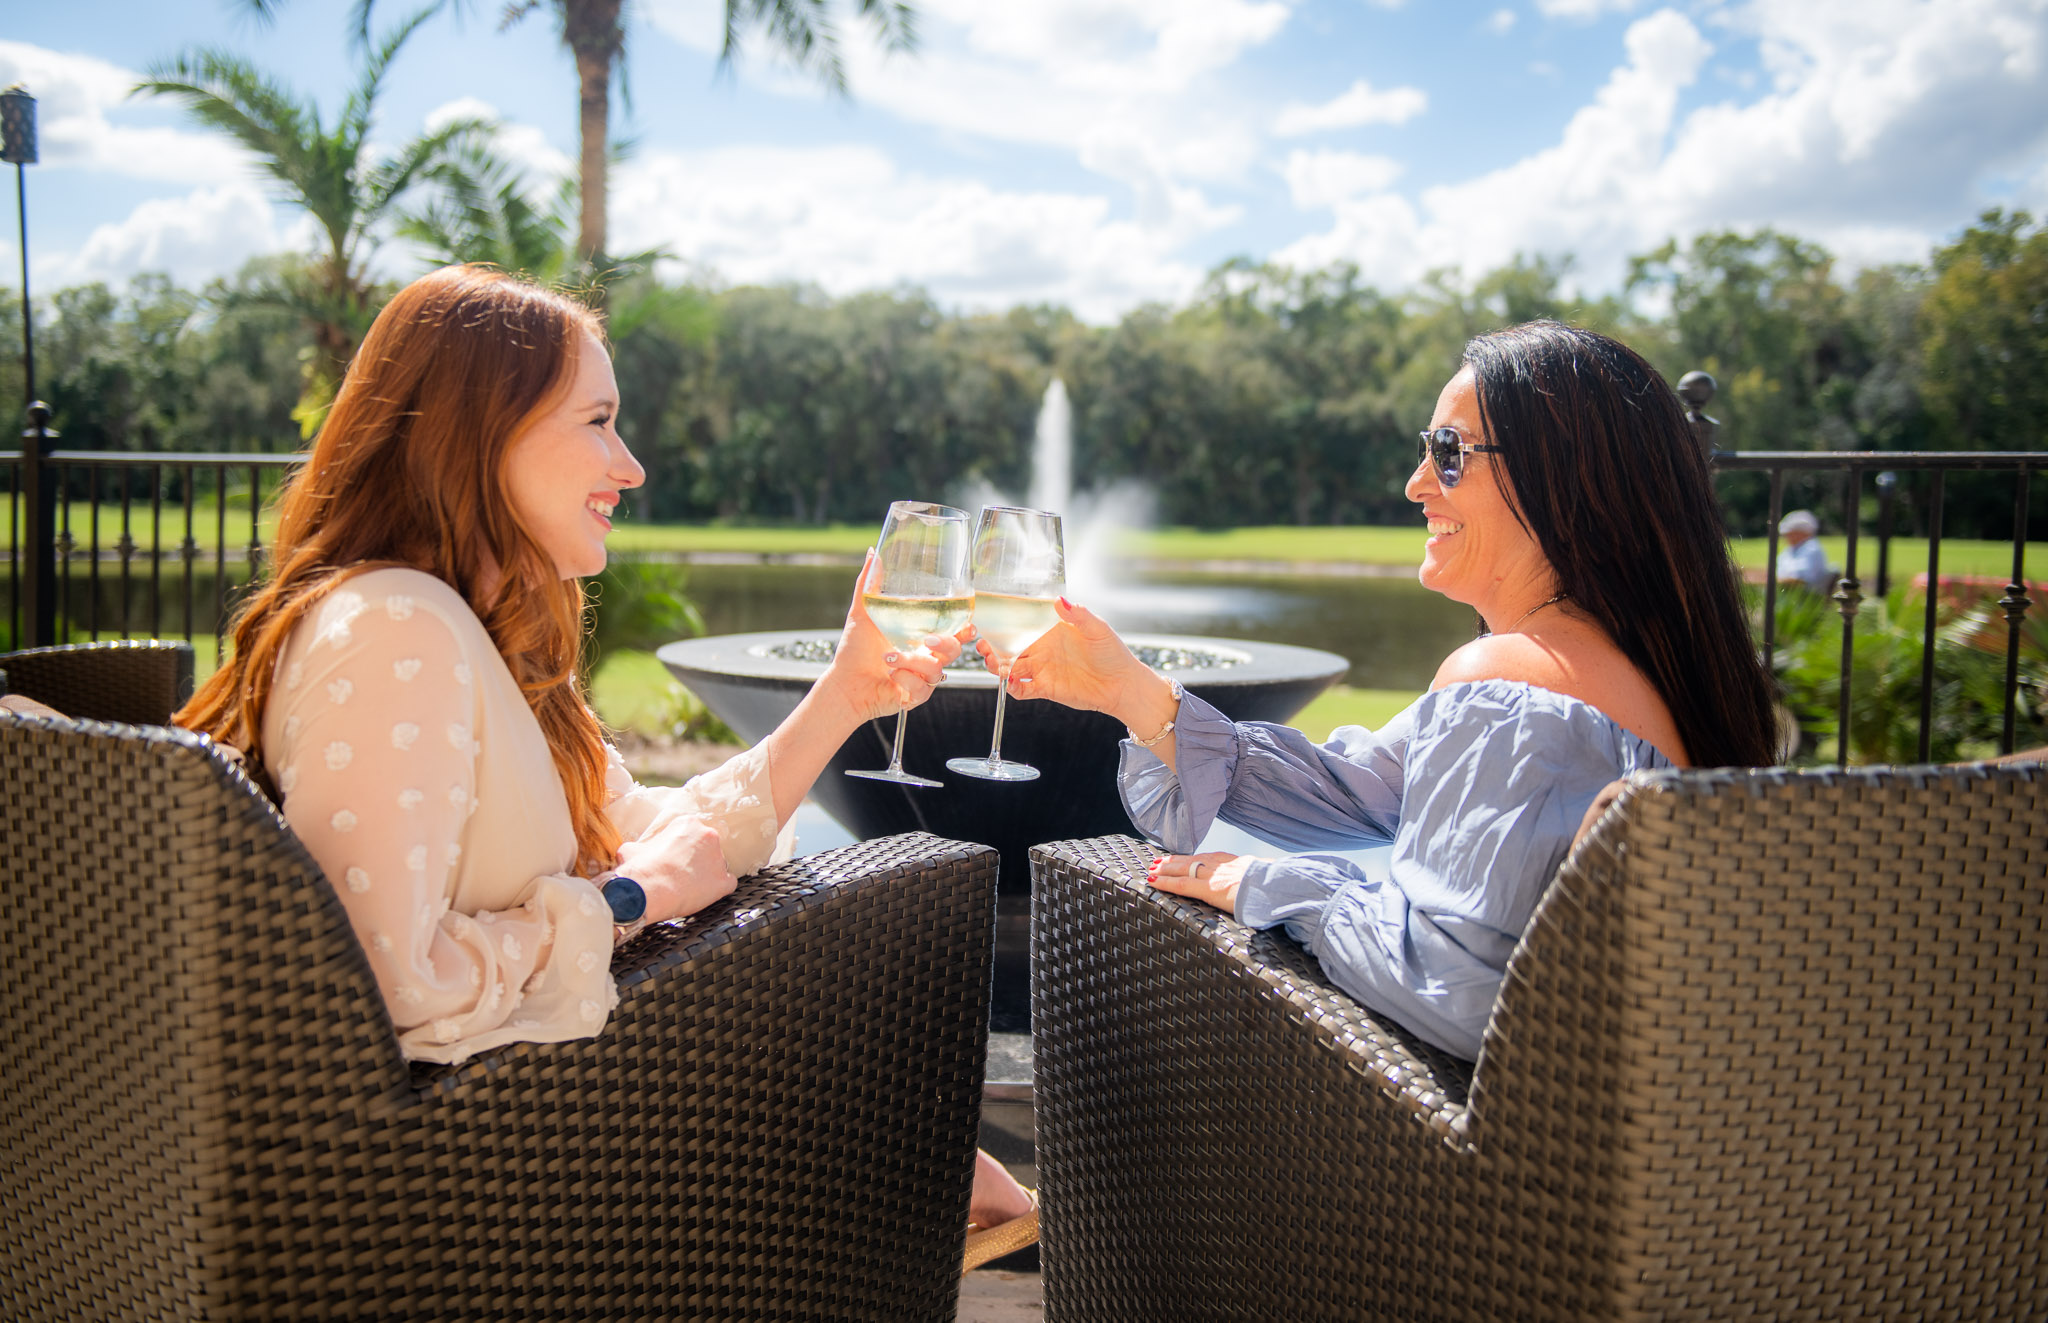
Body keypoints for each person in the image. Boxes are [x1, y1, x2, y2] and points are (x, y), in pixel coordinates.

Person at [174, 264, 1034, 1250]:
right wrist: (628, 900)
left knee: (856, 925)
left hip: (528, 1120)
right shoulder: (397, 628)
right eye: (598, 421)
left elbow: (671, 836)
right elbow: (383, 988)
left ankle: (919, 1174)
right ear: (479, 430)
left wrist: (846, 694)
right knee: (873, 928)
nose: (630, 468)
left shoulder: (480, 637)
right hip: (461, 1189)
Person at [982, 321, 1778, 1063]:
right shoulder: (1637, 673)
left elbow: (1455, 986)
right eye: (1425, 449)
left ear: (1561, 478)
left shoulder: (1515, 677)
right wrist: (1130, 689)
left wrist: (1270, 885)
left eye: (1449, 451)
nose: (1415, 483)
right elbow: (1357, 788)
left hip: (1459, 1151)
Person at [1775, 509, 1837, 595]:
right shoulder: (1792, 549)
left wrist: (1775, 580)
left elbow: (1801, 578)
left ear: (1802, 533)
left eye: (1790, 533)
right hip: (1789, 592)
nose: (1786, 536)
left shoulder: (1812, 549)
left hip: (1802, 595)